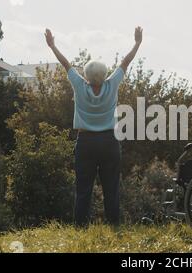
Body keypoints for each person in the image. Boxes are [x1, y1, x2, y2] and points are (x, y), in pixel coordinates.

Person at [44, 26, 143, 227]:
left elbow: (66, 64)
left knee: (83, 188)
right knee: (111, 187)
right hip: (109, 141)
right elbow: (126, 62)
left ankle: (80, 226)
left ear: (87, 75)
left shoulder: (79, 85)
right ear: (105, 74)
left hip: (86, 142)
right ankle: (113, 224)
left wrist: (52, 46)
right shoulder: (112, 84)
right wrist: (137, 43)